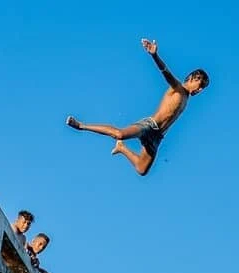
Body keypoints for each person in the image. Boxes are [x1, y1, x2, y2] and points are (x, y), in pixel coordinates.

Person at [66, 38, 210, 177]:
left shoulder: (187, 99)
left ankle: (121, 148)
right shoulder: (177, 87)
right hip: (150, 125)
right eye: (200, 86)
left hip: (157, 136)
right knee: (119, 134)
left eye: (202, 89)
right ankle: (81, 125)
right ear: (192, 78)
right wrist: (155, 55)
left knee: (142, 170)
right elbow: (165, 72)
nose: (200, 91)